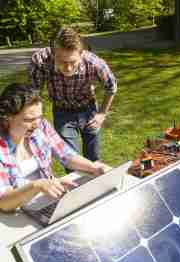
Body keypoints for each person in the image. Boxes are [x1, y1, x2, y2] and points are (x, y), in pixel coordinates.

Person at [0, 83, 106, 212]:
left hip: (45, 201)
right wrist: (37, 185)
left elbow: (66, 155)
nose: (36, 124)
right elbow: (4, 202)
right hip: (15, 213)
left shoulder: (41, 126)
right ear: (7, 118)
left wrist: (92, 167)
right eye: (28, 119)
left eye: (39, 117)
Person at [28, 26, 117, 163]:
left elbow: (111, 87)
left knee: (93, 158)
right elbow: (33, 94)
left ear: (81, 54)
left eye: (73, 62)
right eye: (63, 62)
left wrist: (102, 114)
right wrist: (37, 120)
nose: (68, 68)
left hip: (89, 110)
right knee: (70, 160)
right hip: (62, 112)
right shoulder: (40, 61)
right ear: (53, 53)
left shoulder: (94, 63)